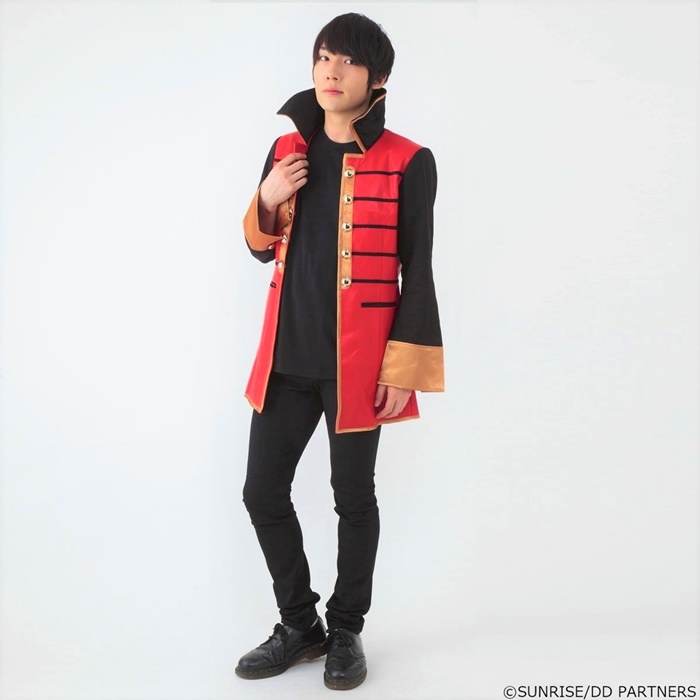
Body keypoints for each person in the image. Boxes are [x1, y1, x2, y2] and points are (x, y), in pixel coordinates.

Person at [235, 12, 445, 691]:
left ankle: (346, 628)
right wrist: (266, 198)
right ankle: (300, 624)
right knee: (261, 491)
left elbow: (419, 269)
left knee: (353, 498)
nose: (331, 70)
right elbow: (259, 245)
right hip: (286, 359)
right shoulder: (286, 147)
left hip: (360, 367)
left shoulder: (409, 160)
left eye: (348, 61)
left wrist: (403, 368)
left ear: (376, 79)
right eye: (324, 56)